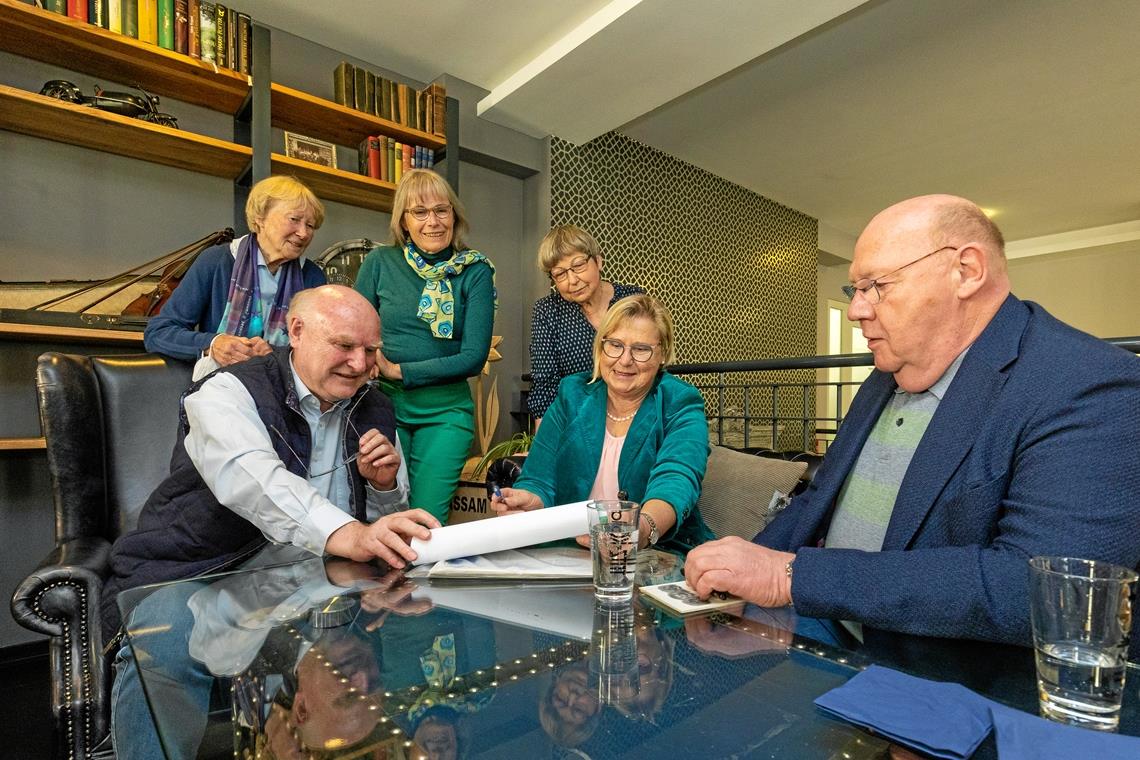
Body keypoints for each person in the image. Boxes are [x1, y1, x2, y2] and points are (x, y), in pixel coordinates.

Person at [685, 194, 1140, 645]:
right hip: (825, 632)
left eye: (876, 286)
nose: (857, 310)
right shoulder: (886, 375)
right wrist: (742, 567)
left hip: (949, 684)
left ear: (966, 271)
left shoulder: (1090, 384)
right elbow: (819, 498)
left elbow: (1042, 589)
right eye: (854, 291)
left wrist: (790, 578)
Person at [105, 285, 440, 759]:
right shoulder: (228, 390)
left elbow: (377, 528)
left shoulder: (375, 406)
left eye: (371, 351)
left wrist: (384, 488)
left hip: (320, 586)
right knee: (167, 641)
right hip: (202, 571)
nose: (361, 364)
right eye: (345, 346)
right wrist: (352, 533)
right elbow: (254, 481)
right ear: (297, 332)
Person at [493, 293, 712, 555]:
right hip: (571, 554)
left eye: (641, 349)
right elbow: (539, 478)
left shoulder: (680, 401)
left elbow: (676, 478)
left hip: (654, 555)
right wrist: (531, 500)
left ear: (662, 354)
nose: (625, 360)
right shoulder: (571, 394)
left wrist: (641, 528)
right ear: (600, 347)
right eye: (615, 345)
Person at [354, 169, 496, 523]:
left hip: (446, 413)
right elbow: (355, 329)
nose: (432, 221)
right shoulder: (380, 262)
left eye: (441, 210)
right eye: (419, 212)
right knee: (380, 516)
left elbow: (473, 358)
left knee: (425, 522)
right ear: (403, 222)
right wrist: (372, 363)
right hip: (381, 409)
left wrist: (398, 370)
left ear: (454, 216)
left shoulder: (475, 271)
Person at [144, 175, 328, 379]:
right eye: (294, 219)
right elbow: (158, 332)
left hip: (282, 391)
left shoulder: (312, 277)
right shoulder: (216, 261)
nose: (303, 233)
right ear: (261, 218)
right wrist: (213, 344)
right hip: (219, 388)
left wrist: (277, 355)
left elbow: (320, 349)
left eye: (310, 226)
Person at [529, 224, 645, 425]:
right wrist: (544, 450)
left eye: (579, 265)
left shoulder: (633, 300)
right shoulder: (547, 311)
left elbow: (650, 365)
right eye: (560, 274)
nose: (572, 280)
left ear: (598, 261)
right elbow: (545, 387)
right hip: (577, 424)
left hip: (637, 416)